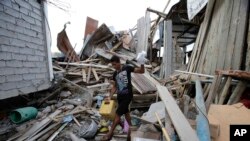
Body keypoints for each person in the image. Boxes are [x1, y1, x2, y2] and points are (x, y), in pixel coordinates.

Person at [103, 53, 146, 141]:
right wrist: (110, 97)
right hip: (120, 97)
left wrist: (142, 63)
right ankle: (131, 132)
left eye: (115, 64)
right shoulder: (115, 74)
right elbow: (115, 86)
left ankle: (110, 133)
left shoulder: (127, 68)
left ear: (119, 62)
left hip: (127, 96)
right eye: (112, 65)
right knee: (126, 113)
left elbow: (141, 71)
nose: (114, 66)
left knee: (118, 114)